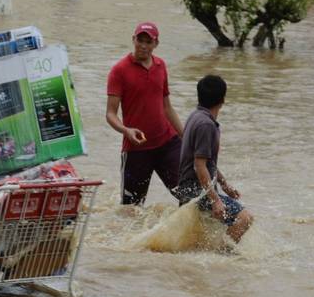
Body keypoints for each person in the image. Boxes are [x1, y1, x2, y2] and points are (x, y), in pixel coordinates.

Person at [106, 22, 184, 205]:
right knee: (131, 209)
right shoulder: (119, 71)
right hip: (136, 150)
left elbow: (167, 107)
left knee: (189, 195)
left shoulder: (161, 66)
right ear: (133, 40)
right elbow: (110, 114)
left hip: (167, 144)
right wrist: (126, 130)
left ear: (156, 44)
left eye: (148, 42)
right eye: (139, 40)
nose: (143, 45)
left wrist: (185, 136)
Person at [176, 75, 253, 243]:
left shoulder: (195, 116)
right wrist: (215, 200)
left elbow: (207, 162)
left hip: (189, 188)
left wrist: (225, 185)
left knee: (202, 235)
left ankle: (210, 258)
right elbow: (199, 166)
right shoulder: (206, 125)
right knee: (244, 219)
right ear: (223, 99)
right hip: (195, 191)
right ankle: (222, 256)